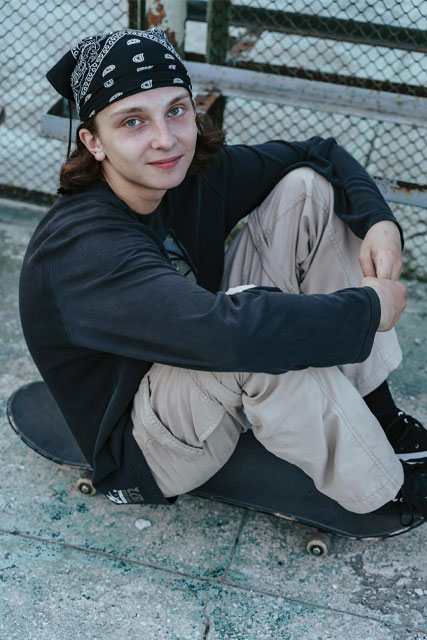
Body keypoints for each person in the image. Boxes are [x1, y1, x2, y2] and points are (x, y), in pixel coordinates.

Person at [20, 28, 427, 519]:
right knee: (253, 338)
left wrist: (381, 224)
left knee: (307, 190)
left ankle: (380, 417)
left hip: (195, 358)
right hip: (146, 445)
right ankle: (384, 486)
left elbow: (318, 152)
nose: (165, 139)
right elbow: (231, 333)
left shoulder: (187, 175)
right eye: (133, 121)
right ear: (93, 141)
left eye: (176, 110)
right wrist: (367, 310)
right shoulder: (82, 248)